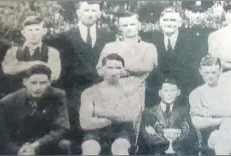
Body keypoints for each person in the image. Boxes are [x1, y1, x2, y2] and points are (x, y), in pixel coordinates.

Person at [48, 1, 115, 154]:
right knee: (76, 137)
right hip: (74, 93)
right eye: (86, 10)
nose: (90, 13)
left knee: (100, 136)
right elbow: (62, 69)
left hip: (101, 93)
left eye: (93, 10)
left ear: (99, 13)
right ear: (78, 12)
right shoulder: (65, 37)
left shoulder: (108, 35)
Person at [0, 64, 70, 155]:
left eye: (43, 83)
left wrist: (36, 145)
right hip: (18, 148)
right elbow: (1, 135)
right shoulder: (7, 102)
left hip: (44, 145)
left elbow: (62, 128)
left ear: (49, 83)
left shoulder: (58, 96)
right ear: (25, 82)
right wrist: (18, 150)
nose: (38, 87)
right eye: (33, 83)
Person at [80, 53, 143, 155]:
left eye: (118, 68)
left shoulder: (130, 92)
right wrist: (116, 116)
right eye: (110, 67)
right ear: (102, 69)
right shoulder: (89, 92)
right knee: (90, 150)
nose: (114, 72)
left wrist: (99, 111)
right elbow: (85, 123)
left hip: (122, 132)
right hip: (95, 131)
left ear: (123, 70)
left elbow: (132, 116)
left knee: (121, 150)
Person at [144, 7, 205, 108]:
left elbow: (194, 73)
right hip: (158, 96)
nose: (169, 23)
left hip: (184, 95)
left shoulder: (192, 42)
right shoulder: (151, 42)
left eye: (173, 20)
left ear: (179, 23)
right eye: (165, 20)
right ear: (160, 22)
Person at [97, 11, 158, 109]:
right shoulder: (109, 47)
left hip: (140, 96)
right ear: (119, 27)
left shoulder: (149, 47)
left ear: (139, 25)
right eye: (125, 25)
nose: (129, 28)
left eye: (132, 24)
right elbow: (100, 70)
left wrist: (117, 67)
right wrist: (136, 69)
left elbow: (148, 67)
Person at [189, 55, 231, 155]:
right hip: (212, 135)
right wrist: (221, 120)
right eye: (206, 72)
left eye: (213, 72)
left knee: (226, 129)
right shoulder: (196, 94)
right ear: (200, 72)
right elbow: (196, 121)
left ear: (220, 70)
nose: (210, 76)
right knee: (223, 136)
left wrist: (210, 113)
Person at [139, 78, 199, 155]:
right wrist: (170, 142)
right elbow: (148, 137)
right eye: (165, 90)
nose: (169, 94)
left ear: (178, 92)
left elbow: (188, 135)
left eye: (173, 91)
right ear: (159, 93)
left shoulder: (184, 112)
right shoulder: (149, 112)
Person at [1, 15, 61, 92]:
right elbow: (7, 70)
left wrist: (19, 66)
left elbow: (54, 75)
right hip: (17, 94)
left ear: (44, 31)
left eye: (37, 29)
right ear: (23, 33)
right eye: (30, 30)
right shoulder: (13, 51)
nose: (34, 33)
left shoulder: (52, 52)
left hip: (43, 94)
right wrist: (38, 63)